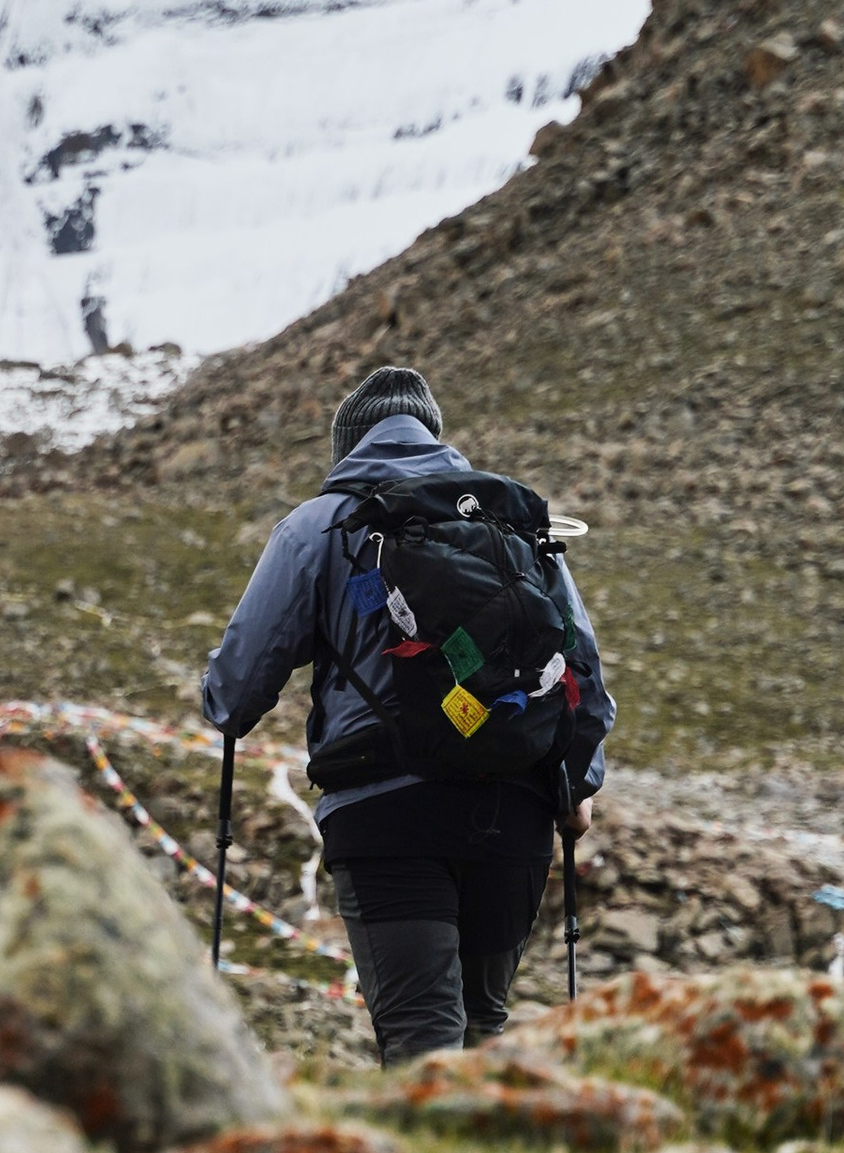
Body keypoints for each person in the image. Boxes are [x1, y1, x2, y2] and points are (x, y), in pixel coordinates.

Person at [201, 364, 614, 1064]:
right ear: (435, 438)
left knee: (422, 1039)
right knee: (484, 1031)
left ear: (347, 448)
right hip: (511, 818)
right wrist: (579, 788)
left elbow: (235, 695)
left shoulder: (317, 528)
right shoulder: (510, 522)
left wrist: (218, 696)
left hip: (384, 814)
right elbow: (581, 668)